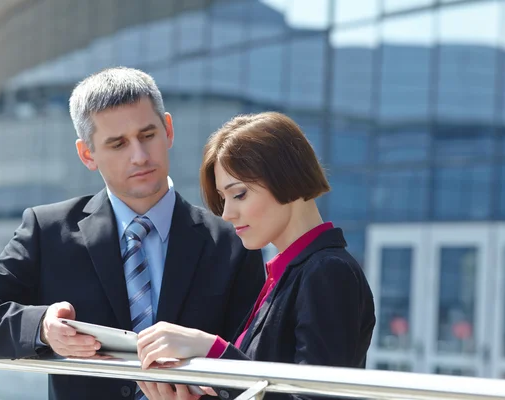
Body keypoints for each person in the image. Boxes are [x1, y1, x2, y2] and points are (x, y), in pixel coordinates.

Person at [0, 68, 265, 400]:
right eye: (118, 144)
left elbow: (258, 365)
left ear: (168, 129)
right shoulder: (48, 231)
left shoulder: (231, 243)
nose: (140, 156)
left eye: (148, 134)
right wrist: (42, 327)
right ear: (87, 154)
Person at [135, 112, 376, 400]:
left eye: (238, 195)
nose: (226, 214)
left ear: (287, 177)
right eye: (223, 199)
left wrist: (214, 351)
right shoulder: (286, 275)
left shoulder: (328, 272)